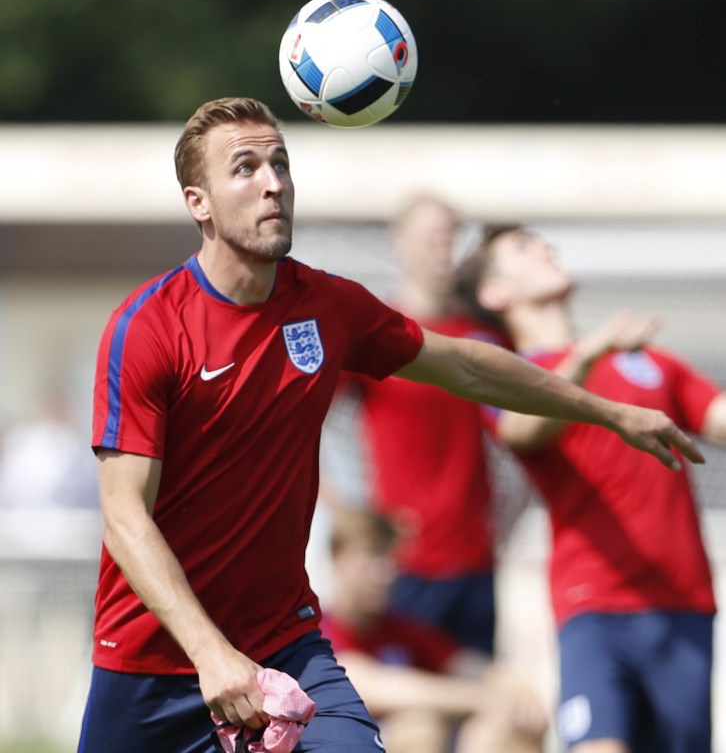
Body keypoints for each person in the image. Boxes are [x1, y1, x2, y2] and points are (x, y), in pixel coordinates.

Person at [76, 98, 703, 753]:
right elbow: (124, 516)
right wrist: (210, 654)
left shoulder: (327, 306)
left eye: (281, 163)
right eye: (246, 167)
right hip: (152, 661)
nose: (274, 182)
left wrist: (611, 411)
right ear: (198, 202)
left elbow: (465, 365)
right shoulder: (147, 327)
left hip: (283, 640)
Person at [455, 223, 726, 753]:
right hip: (593, 604)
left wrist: (601, 349)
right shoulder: (510, 375)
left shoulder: (651, 361)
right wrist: (590, 351)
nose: (547, 248)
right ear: (495, 292)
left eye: (543, 243)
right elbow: (523, 429)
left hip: (684, 600)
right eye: (524, 248)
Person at [321, 195, 514, 653]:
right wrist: (346, 512)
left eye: (450, 237)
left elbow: (520, 437)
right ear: (399, 244)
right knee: (412, 710)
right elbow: (302, 430)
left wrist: (507, 515)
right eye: (430, 237)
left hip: (477, 559)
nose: (441, 249)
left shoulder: (483, 337)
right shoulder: (376, 332)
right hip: (403, 566)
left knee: (480, 700)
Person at [322, 506, 548, 753]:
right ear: (338, 559)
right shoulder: (321, 629)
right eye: (370, 557)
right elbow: (366, 685)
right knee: (420, 727)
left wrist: (518, 691)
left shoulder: (401, 629)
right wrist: (479, 698)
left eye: (389, 559)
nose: (383, 573)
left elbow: (473, 667)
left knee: (506, 724)